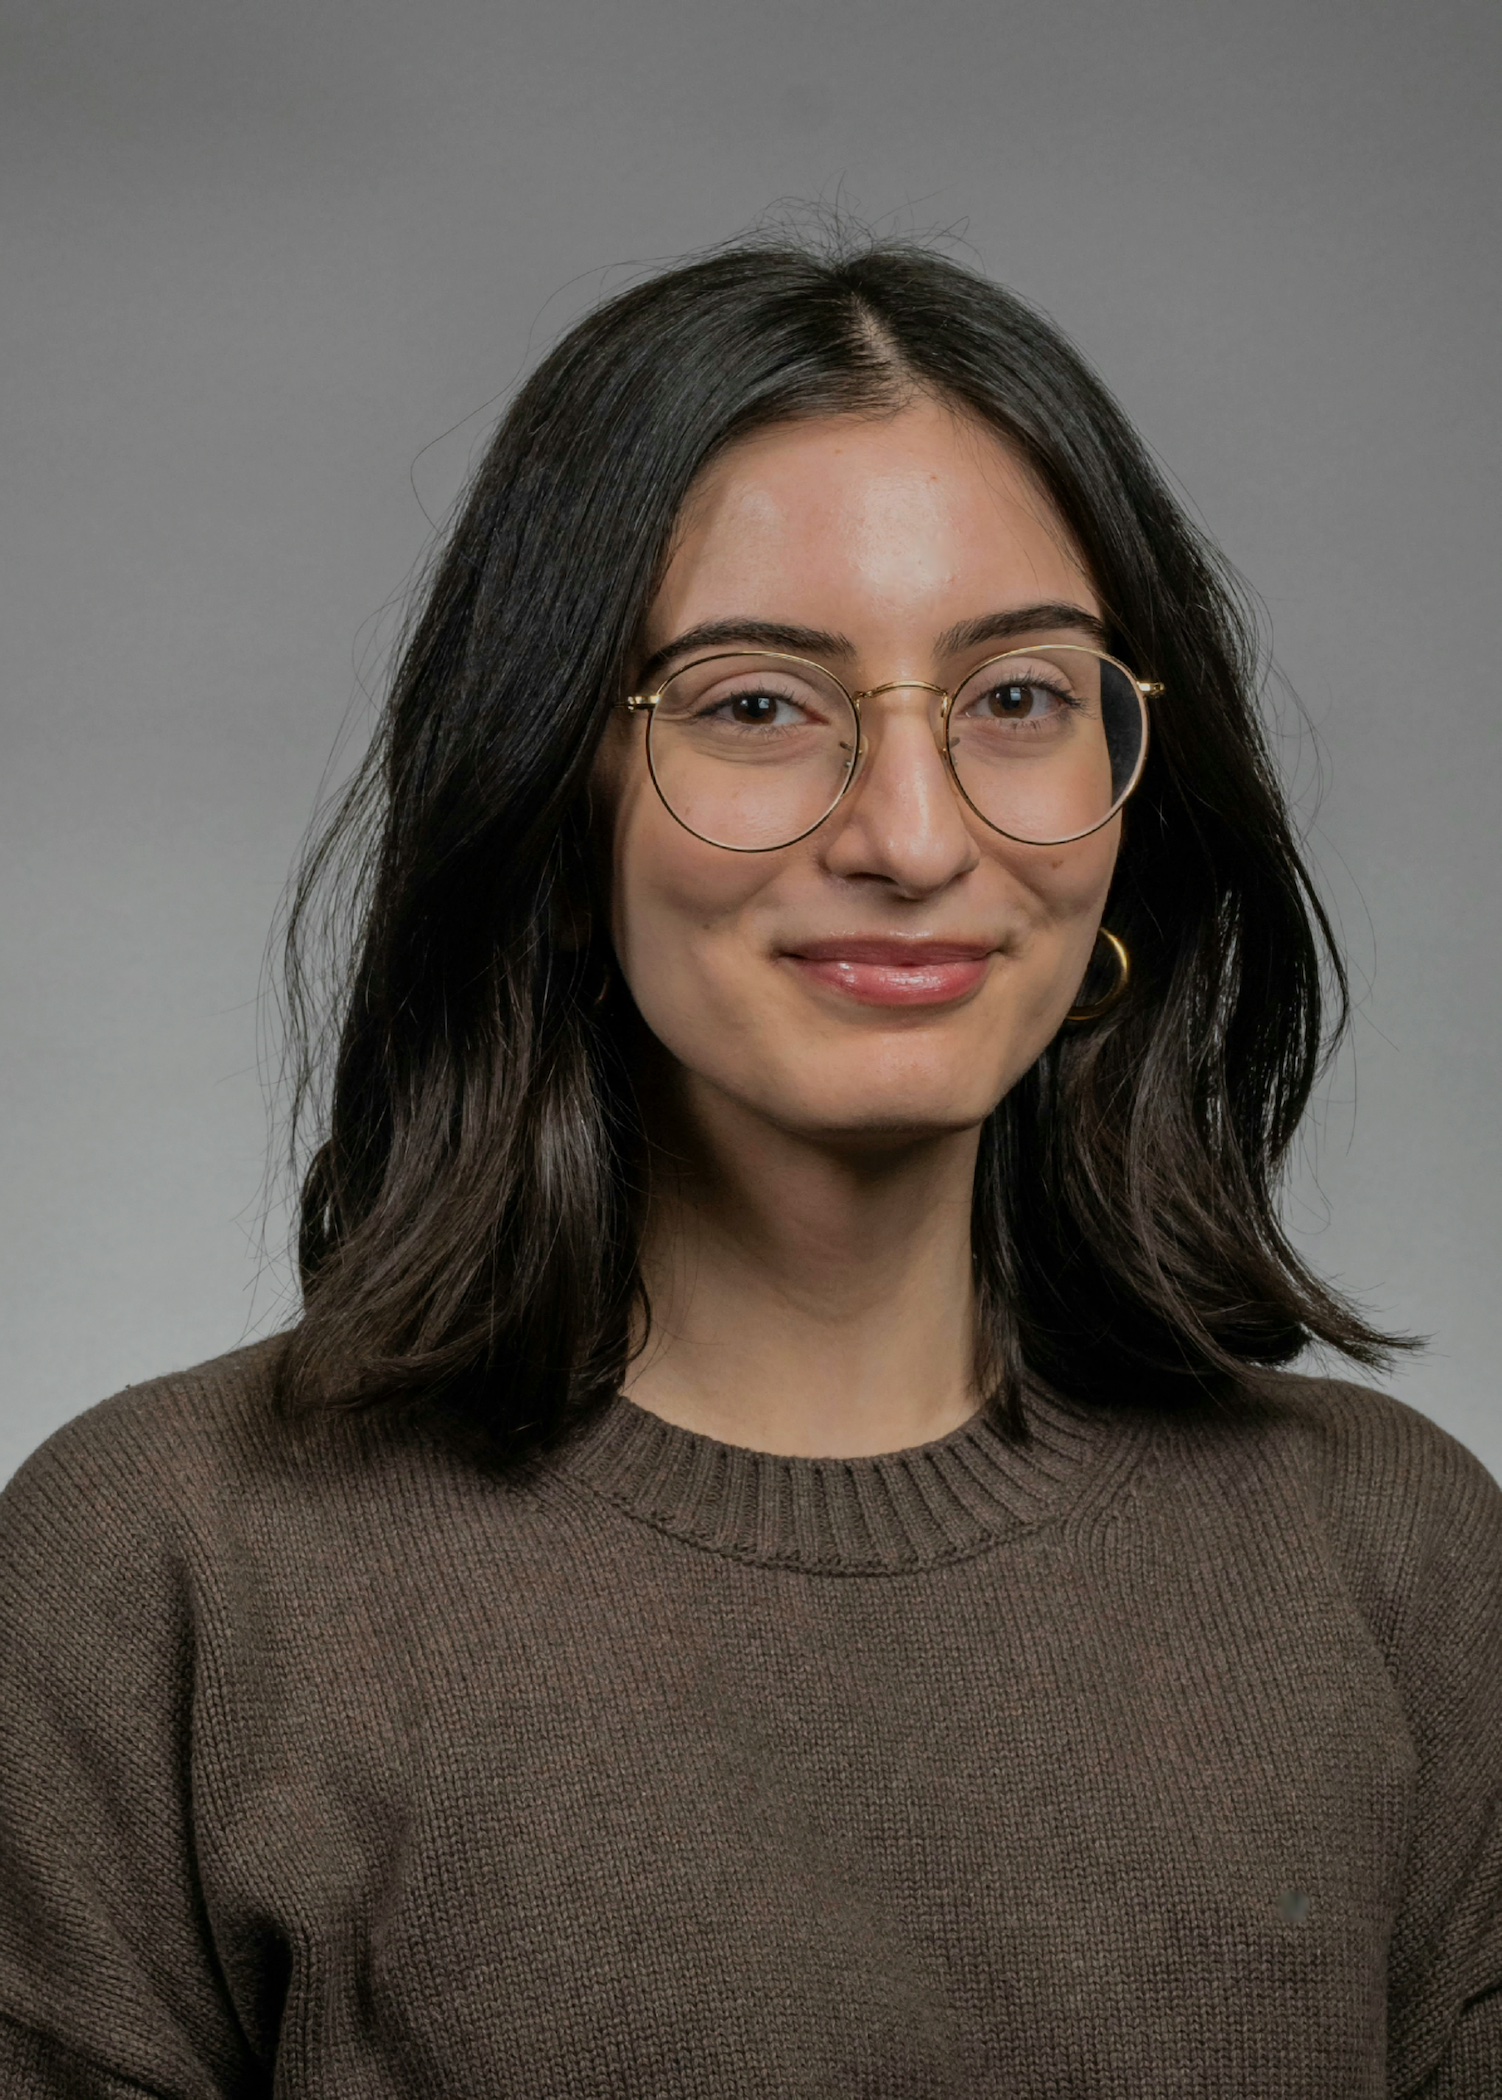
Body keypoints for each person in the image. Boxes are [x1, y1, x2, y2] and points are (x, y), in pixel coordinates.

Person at [1, 238, 1498, 2099]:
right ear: (556, 811)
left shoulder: (1406, 1568)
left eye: (1018, 698)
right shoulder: (156, 1574)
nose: (909, 834)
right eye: (758, 704)